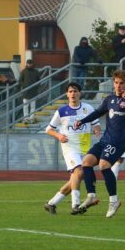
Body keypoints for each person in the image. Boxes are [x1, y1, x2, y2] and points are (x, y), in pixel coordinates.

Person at [71, 70, 125, 218]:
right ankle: (91, 195)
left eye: (122, 83)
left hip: (119, 142)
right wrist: (82, 121)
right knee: (86, 162)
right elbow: (97, 113)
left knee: (104, 165)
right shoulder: (109, 99)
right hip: (105, 140)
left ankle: (113, 201)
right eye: (116, 82)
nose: (118, 86)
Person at [43, 82, 101, 214]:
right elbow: (49, 129)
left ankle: (52, 203)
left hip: (85, 147)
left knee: (76, 177)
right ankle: (76, 204)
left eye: (75, 91)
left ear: (80, 93)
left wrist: (97, 130)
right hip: (69, 147)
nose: (72, 94)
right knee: (79, 171)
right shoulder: (62, 111)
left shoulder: (88, 108)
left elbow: (96, 124)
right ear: (67, 94)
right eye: (70, 91)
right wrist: (59, 136)